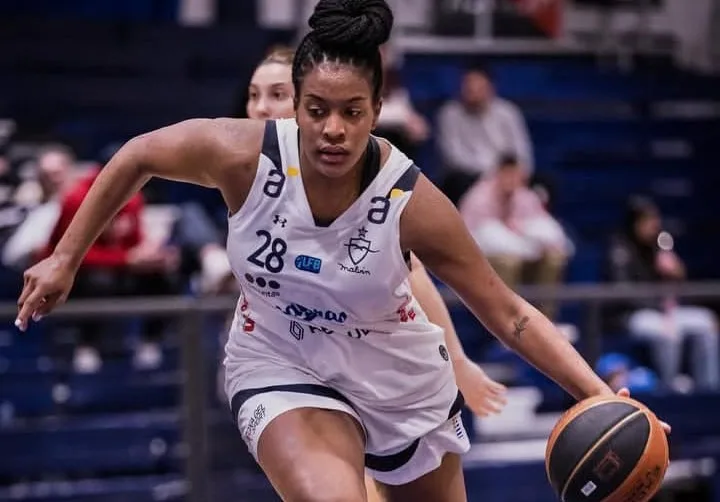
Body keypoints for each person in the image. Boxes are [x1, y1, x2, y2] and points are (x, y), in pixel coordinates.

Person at [17, 1, 668, 500]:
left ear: (377, 109)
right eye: (317, 109)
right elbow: (137, 155)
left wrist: (603, 395)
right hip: (279, 358)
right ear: (296, 106)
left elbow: (510, 313)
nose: (333, 129)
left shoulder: (410, 199)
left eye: (352, 112)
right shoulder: (243, 156)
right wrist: (65, 257)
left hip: (398, 381)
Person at [245, 45, 506, 502]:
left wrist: (459, 362)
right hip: (289, 365)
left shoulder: (357, 180)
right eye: (253, 95)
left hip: (374, 373)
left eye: (277, 94)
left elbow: (413, 273)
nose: (263, 107)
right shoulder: (246, 170)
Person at [605, 196, 719, 391]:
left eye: (655, 219)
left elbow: (678, 289)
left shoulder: (659, 245)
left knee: (706, 323)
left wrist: (677, 272)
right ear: (635, 222)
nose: (654, 225)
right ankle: (669, 388)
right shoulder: (620, 248)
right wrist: (660, 309)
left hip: (663, 311)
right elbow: (624, 293)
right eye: (647, 220)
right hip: (630, 315)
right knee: (668, 334)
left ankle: (708, 389)